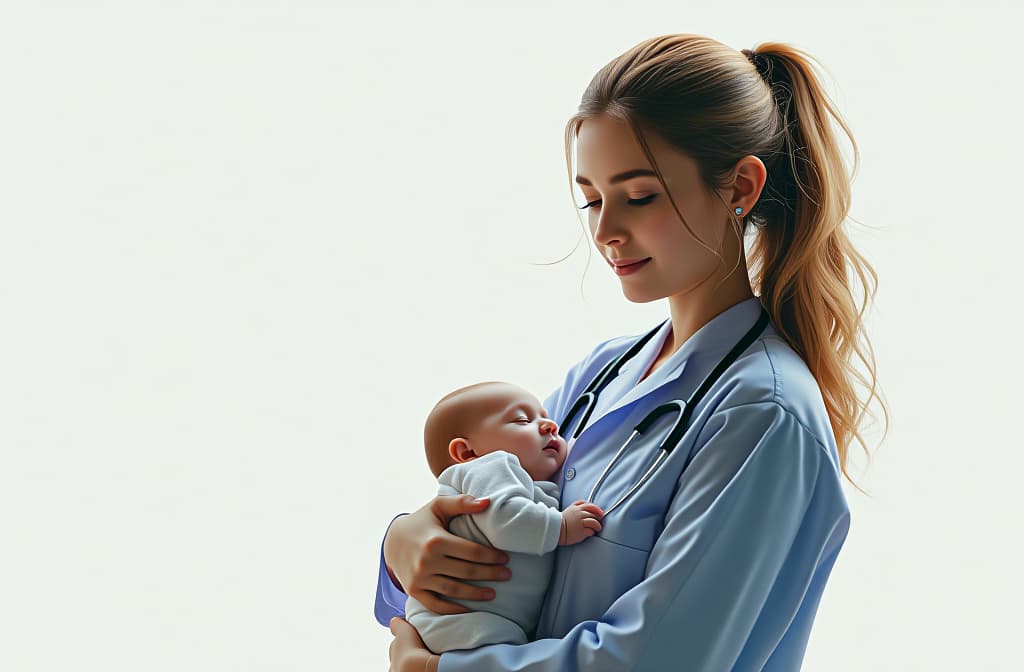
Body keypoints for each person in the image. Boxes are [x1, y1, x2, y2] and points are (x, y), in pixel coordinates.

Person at [377, 33, 889, 672]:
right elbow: (485, 537)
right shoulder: (602, 375)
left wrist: (438, 671)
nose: (604, 230)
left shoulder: (762, 415)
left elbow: (660, 660)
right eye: (591, 197)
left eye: (638, 195)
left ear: (741, 187)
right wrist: (404, 542)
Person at [404, 381, 604, 653]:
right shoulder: (489, 467)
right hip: (461, 623)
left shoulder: (523, 481)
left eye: (546, 417)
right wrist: (562, 526)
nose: (550, 425)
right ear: (467, 453)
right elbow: (505, 520)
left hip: (471, 624)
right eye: (523, 420)